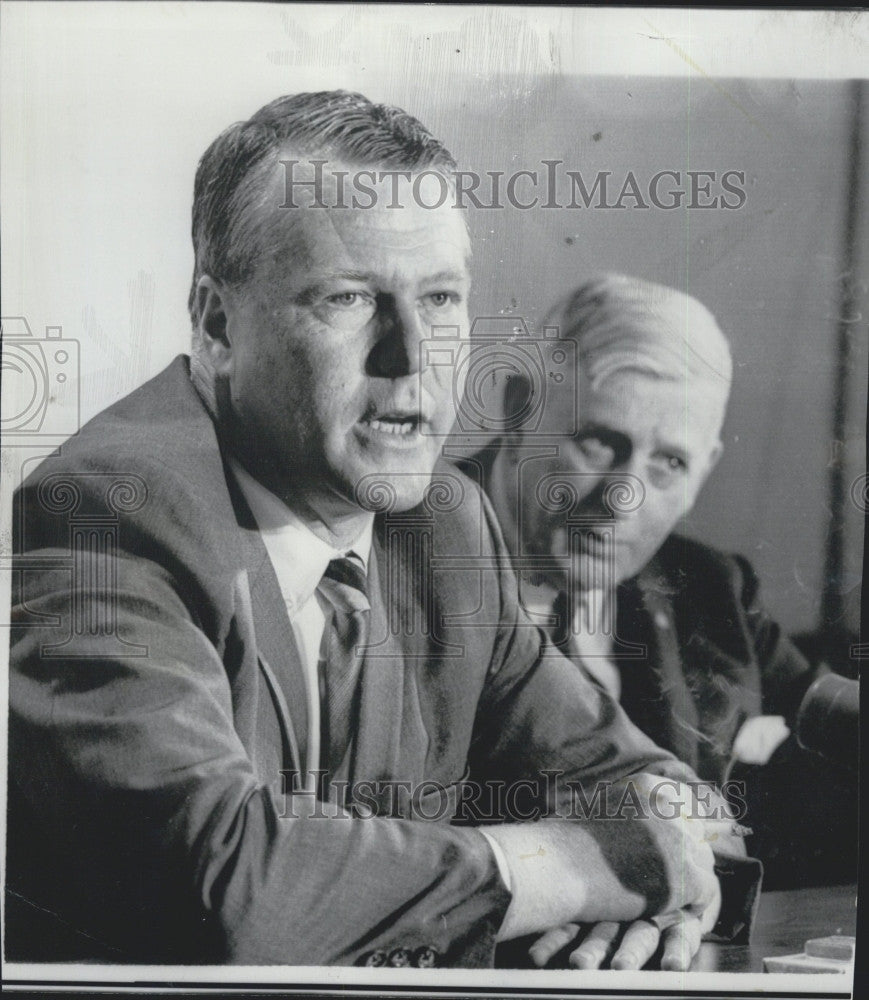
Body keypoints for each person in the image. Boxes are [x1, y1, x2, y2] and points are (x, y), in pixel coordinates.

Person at [7, 95, 749, 971]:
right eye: (349, 297)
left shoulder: (441, 523)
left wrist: (653, 878)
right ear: (215, 324)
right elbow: (224, 888)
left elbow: (658, 802)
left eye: (439, 299)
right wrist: (582, 866)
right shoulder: (104, 512)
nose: (410, 358)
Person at [453, 273, 855, 889]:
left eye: (670, 463)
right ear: (517, 411)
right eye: (598, 443)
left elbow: (829, 710)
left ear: (704, 471)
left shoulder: (707, 585)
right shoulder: (397, 553)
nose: (622, 500)